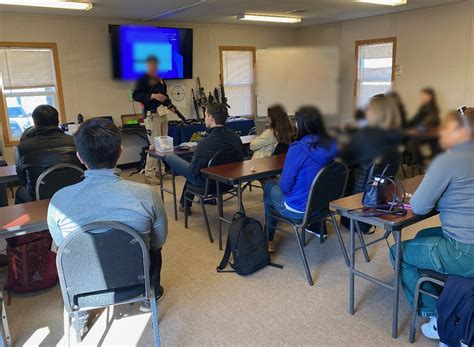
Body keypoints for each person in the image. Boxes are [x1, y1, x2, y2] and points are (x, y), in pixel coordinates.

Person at [47, 118, 168, 333]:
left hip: (83, 285)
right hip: (134, 280)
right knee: (153, 247)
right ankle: (146, 298)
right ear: (120, 151)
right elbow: (159, 240)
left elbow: (60, 244)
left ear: (79, 157)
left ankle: (80, 312)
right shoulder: (146, 195)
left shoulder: (59, 201)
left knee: (64, 251)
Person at [390, 108, 474, 341]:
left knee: (397, 251)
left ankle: (435, 315)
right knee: (422, 235)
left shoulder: (448, 160)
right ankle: (447, 293)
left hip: (465, 251)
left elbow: (418, 206)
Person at [263, 107, 338, 252]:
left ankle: (268, 240)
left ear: (302, 125)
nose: (295, 125)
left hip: (297, 209)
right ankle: (317, 226)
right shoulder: (332, 145)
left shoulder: (297, 149)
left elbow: (285, 186)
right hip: (322, 206)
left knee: (269, 186)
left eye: (296, 122)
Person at [340, 96, 403, 233]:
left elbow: (344, 159)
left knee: (333, 172)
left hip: (358, 201)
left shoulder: (366, 136)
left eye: (368, 108)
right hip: (379, 196)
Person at [165, 103, 243, 213]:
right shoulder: (234, 136)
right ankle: (184, 204)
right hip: (228, 182)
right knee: (197, 167)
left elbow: (193, 172)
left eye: (206, 115)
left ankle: (185, 204)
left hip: (208, 184)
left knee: (171, 157)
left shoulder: (205, 142)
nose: (205, 118)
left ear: (211, 118)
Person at [15, 105, 81, 203]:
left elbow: (23, 179)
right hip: (75, 194)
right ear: (58, 121)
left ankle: (30, 217)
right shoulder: (77, 141)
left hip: (39, 198)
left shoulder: (23, 148)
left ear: (34, 124)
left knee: (20, 191)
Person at [132, 55, 171, 185]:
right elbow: (136, 95)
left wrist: (170, 105)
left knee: (164, 144)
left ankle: (161, 170)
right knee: (154, 145)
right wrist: (153, 95)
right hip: (152, 115)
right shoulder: (142, 79)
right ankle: (149, 174)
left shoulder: (160, 79)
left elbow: (164, 97)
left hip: (163, 114)